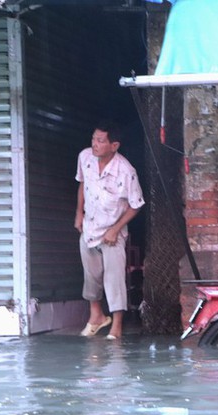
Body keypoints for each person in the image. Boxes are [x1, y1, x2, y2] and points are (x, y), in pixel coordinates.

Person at [74, 120, 144, 340]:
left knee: (114, 280)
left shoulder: (126, 171)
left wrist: (115, 229)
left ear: (114, 146)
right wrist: (79, 213)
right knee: (91, 276)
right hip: (90, 228)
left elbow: (136, 205)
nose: (95, 144)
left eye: (101, 141)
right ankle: (96, 316)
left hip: (113, 233)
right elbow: (82, 184)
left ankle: (117, 327)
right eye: (94, 139)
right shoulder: (85, 157)